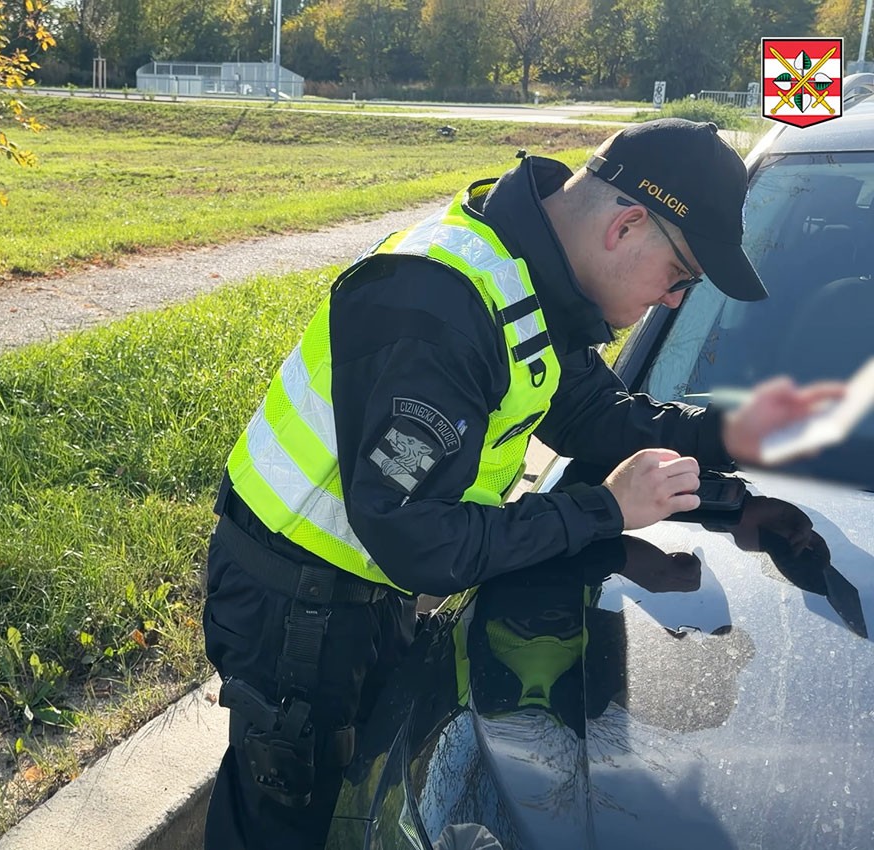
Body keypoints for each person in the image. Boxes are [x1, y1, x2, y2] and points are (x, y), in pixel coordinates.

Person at [202, 117, 846, 849]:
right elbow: (417, 539)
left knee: (342, 810)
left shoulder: (527, 276)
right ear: (628, 224)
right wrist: (603, 510)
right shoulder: (440, 300)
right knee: (282, 827)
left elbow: (588, 414)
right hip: (296, 611)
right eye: (681, 277)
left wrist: (723, 434)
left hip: (359, 589)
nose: (674, 301)